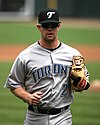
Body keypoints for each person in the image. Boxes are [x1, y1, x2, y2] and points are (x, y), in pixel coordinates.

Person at [4, 8, 89, 125]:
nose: (50, 29)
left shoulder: (73, 54)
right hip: (34, 118)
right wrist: (27, 97)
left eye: (53, 25)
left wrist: (82, 84)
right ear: (39, 27)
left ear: (59, 26)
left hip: (62, 117)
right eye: (46, 25)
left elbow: (84, 81)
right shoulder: (25, 56)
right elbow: (14, 84)